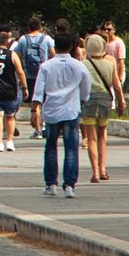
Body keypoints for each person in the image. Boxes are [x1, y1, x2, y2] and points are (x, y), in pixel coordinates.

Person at [34, 29, 89, 198]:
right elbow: (86, 89)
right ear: (71, 46)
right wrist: (82, 100)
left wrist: (35, 108)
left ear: (55, 47)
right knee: (71, 148)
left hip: (51, 110)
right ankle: (70, 185)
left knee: (50, 147)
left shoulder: (46, 66)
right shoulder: (79, 66)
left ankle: (51, 184)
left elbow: (38, 91)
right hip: (71, 110)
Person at [82, 20, 123, 184]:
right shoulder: (109, 63)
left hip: (89, 100)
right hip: (106, 99)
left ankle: (95, 172)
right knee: (102, 136)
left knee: (91, 137)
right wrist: (121, 102)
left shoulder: (83, 64)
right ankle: (104, 168)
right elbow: (117, 85)